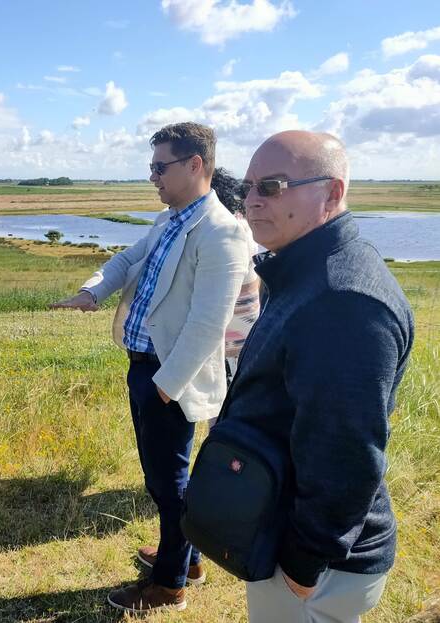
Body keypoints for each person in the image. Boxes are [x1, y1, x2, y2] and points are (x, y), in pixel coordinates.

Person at [205, 131, 414, 622]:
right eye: (249, 187)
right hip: (290, 528)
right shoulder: (307, 270)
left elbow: (345, 451)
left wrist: (304, 563)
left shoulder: (342, 300)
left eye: (272, 186)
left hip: (318, 562)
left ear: (333, 193)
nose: (253, 201)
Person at [51, 122, 250, 613]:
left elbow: (208, 324)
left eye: (161, 167)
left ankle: (169, 586)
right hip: (146, 368)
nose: (153, 177)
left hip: (167, 378)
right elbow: (125, 260)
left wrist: (164, 387)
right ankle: (187, 558)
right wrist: (91, 292)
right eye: (152, 168)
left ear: (195, 165)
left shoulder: (222, 232)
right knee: (164, 479)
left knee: (169, 484)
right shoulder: (170, 220)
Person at [211, 167, 260, 385]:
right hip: (247, 329)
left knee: (222, 405)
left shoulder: (227, 232)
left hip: (229, 339)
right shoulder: (243, 225)